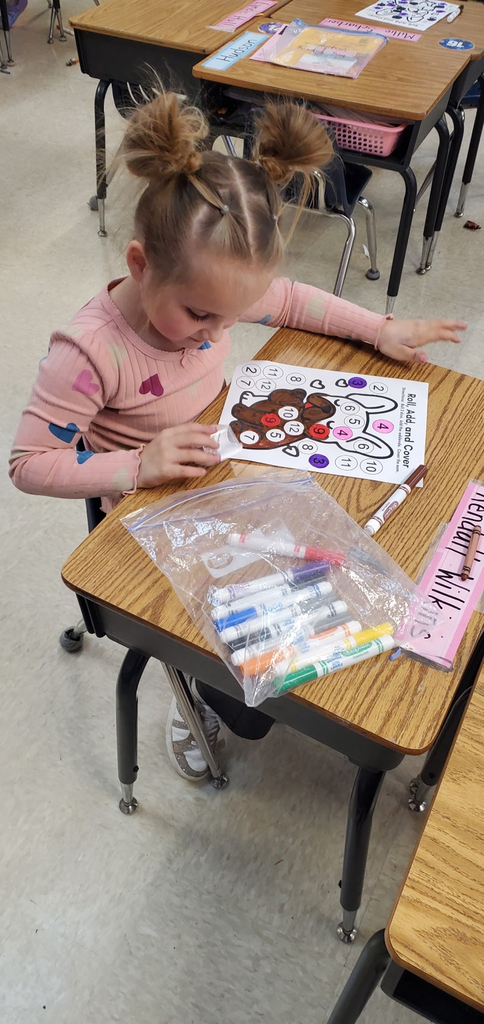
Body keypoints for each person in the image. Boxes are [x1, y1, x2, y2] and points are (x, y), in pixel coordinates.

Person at [10, 92, 466, 782]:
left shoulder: (212, 289)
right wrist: (135, 464)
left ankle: (260, 688)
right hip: (144, 515)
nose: (217, 334)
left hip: (219, 473)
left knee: (331, 580)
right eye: (200, 315)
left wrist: (379, 329)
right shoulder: (91, 350)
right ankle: (193, 693)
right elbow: (28, 463)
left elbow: (288, 300)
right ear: (139, 265)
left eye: (229, 317)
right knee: (238, 658)